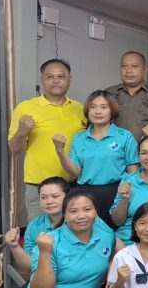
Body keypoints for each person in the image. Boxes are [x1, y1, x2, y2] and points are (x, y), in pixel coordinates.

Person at [8, 58, 84, 220]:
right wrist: (22, 132)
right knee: (40, 232)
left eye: (61, 76)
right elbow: (14, 149)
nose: (55, 81)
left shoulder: (80, 109)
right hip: (39, 187)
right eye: (50, 77)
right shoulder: (25, 107)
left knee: (72, 231)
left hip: (72, 185)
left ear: (70, 80)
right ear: (42, 79)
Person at [53, 90, 139, 229]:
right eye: (93, 107)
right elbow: (75, 172)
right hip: (85, 194)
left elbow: (133, 172)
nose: (98, 111)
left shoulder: (124, 136)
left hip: (117, 192)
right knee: (87, 232)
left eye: (103, 107)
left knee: (116, 233)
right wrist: (60, 151)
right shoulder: (79, 138)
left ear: (112, 111)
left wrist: (128, 195)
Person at [2, 176, 69, 288]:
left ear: (67, 197)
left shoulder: (79, 220)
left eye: (55, 196)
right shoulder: (34, 226)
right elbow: (28, 266)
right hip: (43, 279)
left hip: (71, 280)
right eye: (43, 197)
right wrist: (14, 246)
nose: (49, 201)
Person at [106, 51, 148, 142]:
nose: (128, 70)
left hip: (145, 149)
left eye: (134, 66)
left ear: (145, 69)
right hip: (113, 148)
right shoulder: (108, 93)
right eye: (124, 66)